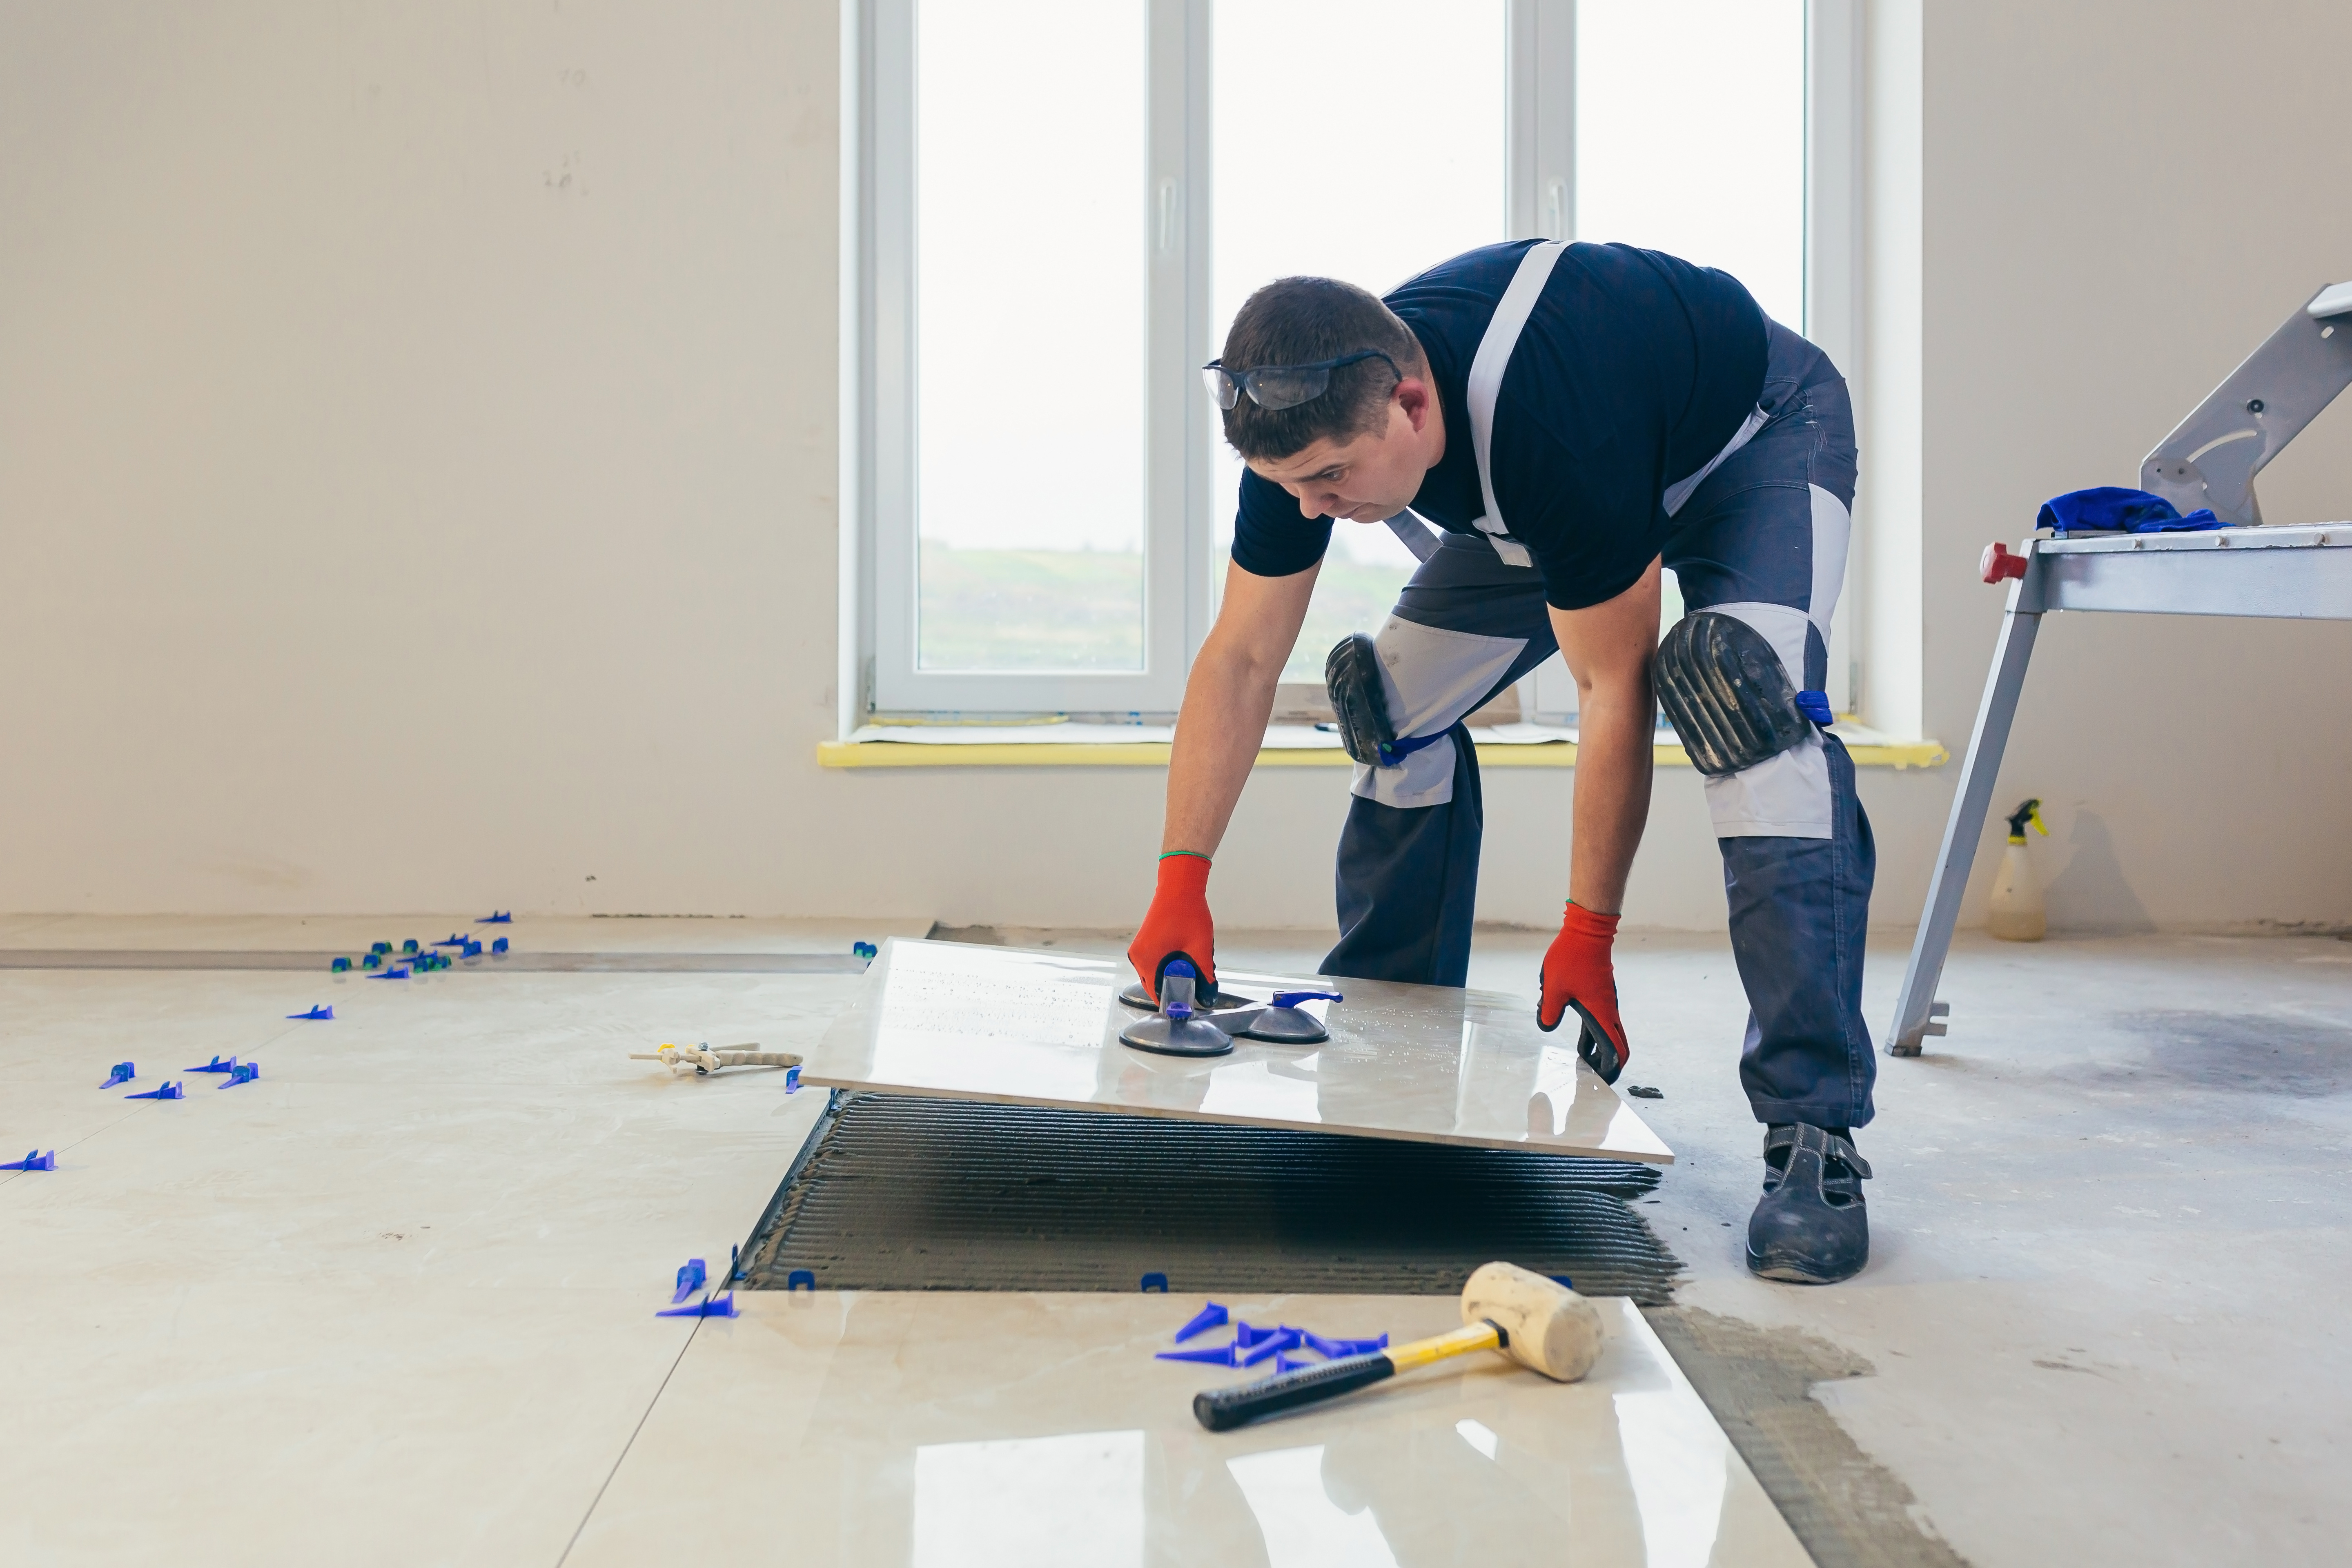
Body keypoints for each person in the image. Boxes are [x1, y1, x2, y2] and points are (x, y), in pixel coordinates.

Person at [1125, 239, 1878, 1284]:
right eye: (1290, 486)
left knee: (1742, 705)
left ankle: (1815, 1135)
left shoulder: (1554, 420)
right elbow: (1245, 655)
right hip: (1555, 495)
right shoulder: (1302, 424)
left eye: (1332, 479)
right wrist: (1181, 878)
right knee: (1385, 705)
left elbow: (1616, 691)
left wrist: (1588, 934)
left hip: (1752, 442)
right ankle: (1391, 1044)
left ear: (1414, 407)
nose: (1312, 508)